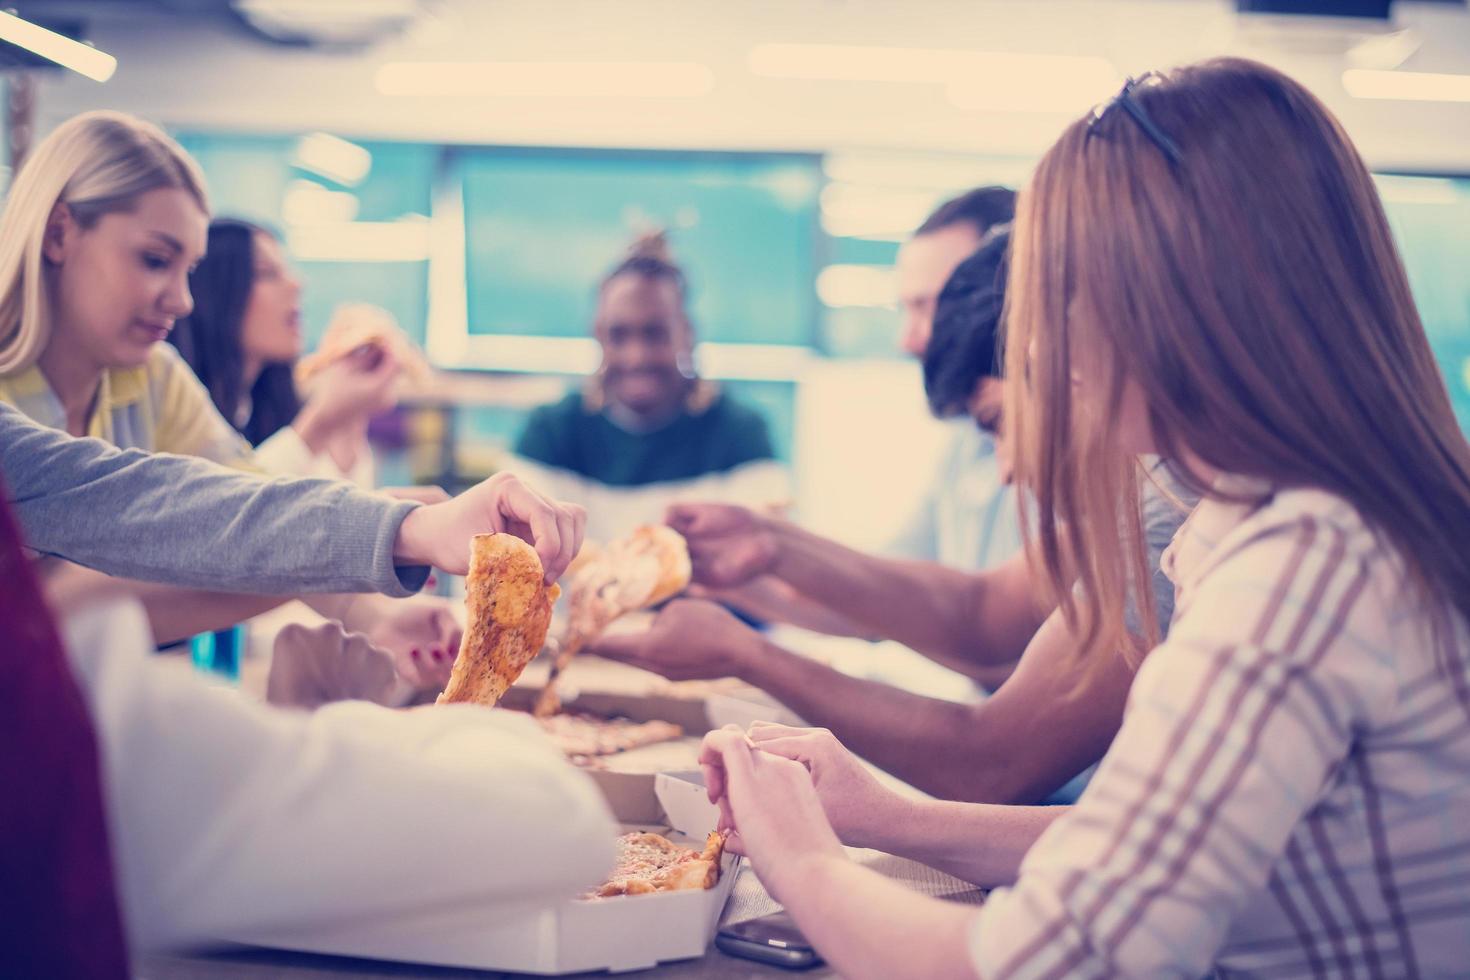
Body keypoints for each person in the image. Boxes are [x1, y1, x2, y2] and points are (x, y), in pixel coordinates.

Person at [697, 58, 1470, 978]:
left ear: (1170, 302)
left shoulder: (1301, 568)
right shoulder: (1264, 527)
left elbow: (1043, 966)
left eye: (1060, 294)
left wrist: (804, 861)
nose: (1041, 349)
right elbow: (1136, 860)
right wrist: (878, 816)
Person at [594, 231, 1193, 805]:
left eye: (998, 424)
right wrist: (768, 542)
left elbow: (991, 763)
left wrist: (747, 652)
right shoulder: (1133, 496)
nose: (1007, 469)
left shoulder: (1164, 511)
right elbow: (979, 612)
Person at [0, 407, 608, 973]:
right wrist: (339, 718)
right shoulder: (66, 756)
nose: (183, 301)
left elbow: (147, 499)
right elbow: (560, 822)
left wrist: (406, 531)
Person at [0, 110, 455, 690]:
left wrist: (374, 613)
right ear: (60, 232)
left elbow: (245, 505)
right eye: (155, 261)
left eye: (188, 270)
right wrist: (377, 539)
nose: (183, 301)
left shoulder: (153, 376)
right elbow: (65, 597)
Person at [510, 231, 788, 542]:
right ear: (597, 335)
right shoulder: (550, 433)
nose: (636, 357)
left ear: (688, 334)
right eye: (619, 334)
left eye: (655, 333)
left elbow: (767, 552)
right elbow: (519, 550)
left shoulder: (740, 434)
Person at [170, 218, 411, 487]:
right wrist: (321, 420)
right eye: (268, 273)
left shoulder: (261, 404)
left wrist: (349, 418)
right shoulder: (178, 405)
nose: (297, 284)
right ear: (217, 294)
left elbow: (334, 503)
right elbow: (227, 507)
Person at [889, 186, 1020, 572]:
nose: (906, 341)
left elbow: (982, 614)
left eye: (927, 306)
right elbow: (899, 578)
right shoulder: (964, 440)